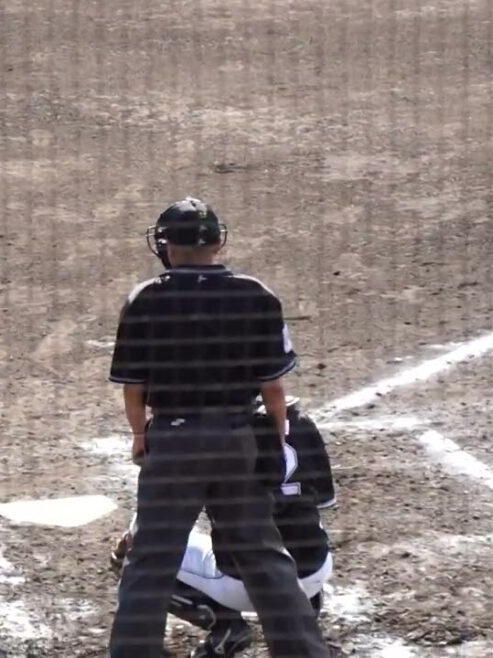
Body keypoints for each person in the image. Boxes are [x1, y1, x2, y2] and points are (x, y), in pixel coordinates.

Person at [106, 197, 329, 657]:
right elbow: (273, 388)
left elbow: (134, 388)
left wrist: (140, 436)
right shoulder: (255, 295)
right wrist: (277, 438)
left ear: (166, 245)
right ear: (218, 243)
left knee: (149, 564)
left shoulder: (146, 299)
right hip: (235, 440)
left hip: (173, 442)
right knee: (264, 557)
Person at [110, 397, 337, 657]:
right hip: (315, 569)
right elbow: (323, 502)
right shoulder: (299, 420)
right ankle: (306, 610)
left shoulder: (225, 431)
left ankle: (225, 624)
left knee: (137, 550)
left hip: (245, 583)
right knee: (297, 526)